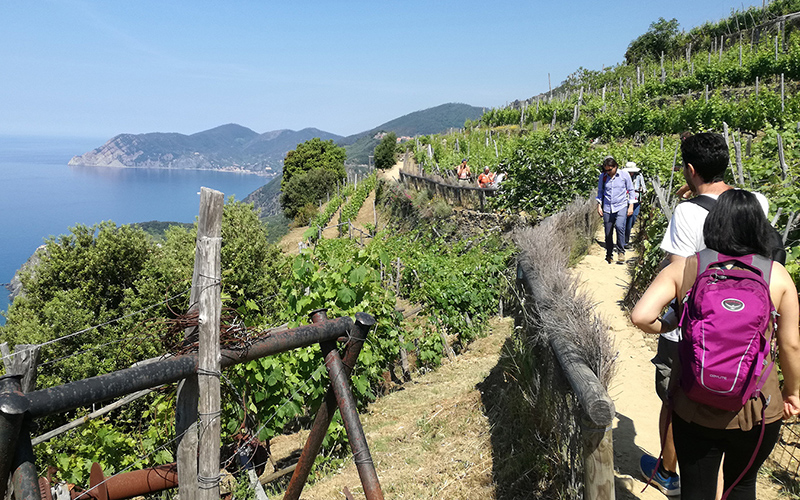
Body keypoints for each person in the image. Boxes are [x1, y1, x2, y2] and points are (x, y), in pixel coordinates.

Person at [631, 189, 800, 500]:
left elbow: (641, 316)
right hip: (756, 406)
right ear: (759, 227)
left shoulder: (687, 267)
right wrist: (793, 392)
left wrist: (668, 325)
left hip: (693, 402)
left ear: (714, 223)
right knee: (742, 486)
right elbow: (790, 346)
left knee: (696, 489)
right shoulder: (776, 275)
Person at [642, 132, 771, 498]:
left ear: (690, 168)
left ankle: (668, 471)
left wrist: (670, 322)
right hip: (747, 326)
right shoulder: (756, 202)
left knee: (676, 398)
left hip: (695, 328)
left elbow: (679, 274)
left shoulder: (686, 212)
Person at [596, 156, 634, 264]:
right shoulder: (603, 177)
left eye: (610, 170)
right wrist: (599, 205)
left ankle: (621, 251)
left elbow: (631, 190)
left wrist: (631, 205)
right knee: (608, 232)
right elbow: (600, 192)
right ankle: (609, 254)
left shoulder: (624, 175)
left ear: (615, 167)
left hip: (621, 206)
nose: (608, 172)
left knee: (619, 226)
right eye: (606, 170)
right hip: (607, 207)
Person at [623, 162, 646, 249]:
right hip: (626, 201)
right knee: (626, 220)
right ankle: (624, 241)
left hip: (636, 201)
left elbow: (644, 187)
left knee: (633, 217)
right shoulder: (623, 176)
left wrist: (642, 190)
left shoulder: (639, 176)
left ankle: (624, 239)